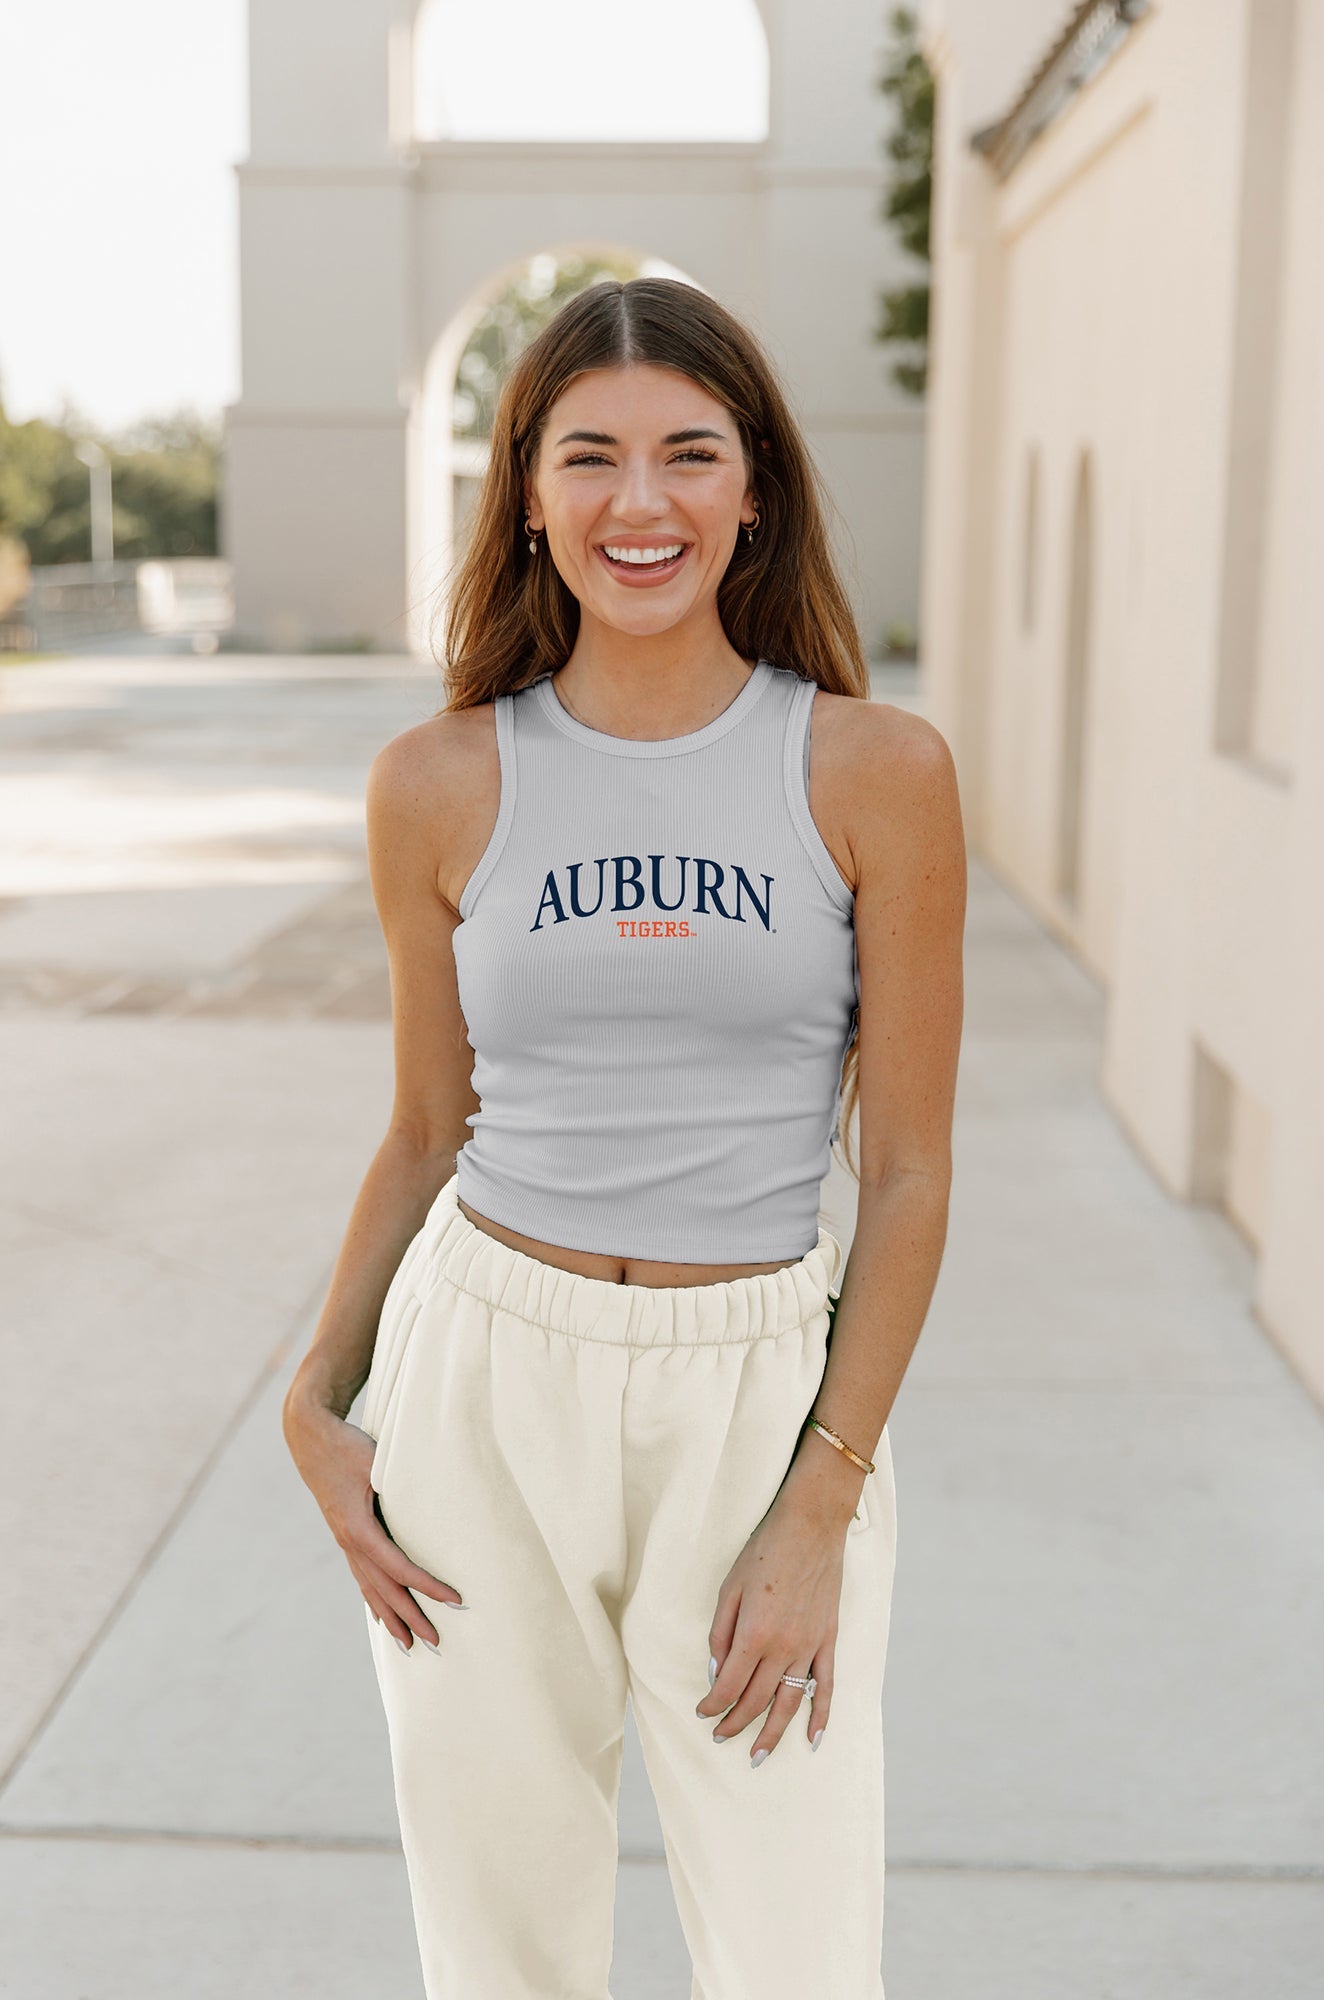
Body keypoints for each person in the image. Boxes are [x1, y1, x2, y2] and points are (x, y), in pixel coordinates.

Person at [282, 276, 966, 2000]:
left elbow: (904, 1172)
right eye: (589, 458)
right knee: (497, 1939)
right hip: (483, 1380)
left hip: (756, 1399)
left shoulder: (871, 769)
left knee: (797, 1943)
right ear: (524, 492)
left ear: (756, 491)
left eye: (687, 455)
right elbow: (428, 1128)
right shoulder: (437, 780)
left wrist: (825, 1495)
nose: (637, 503)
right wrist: (317, 1393)